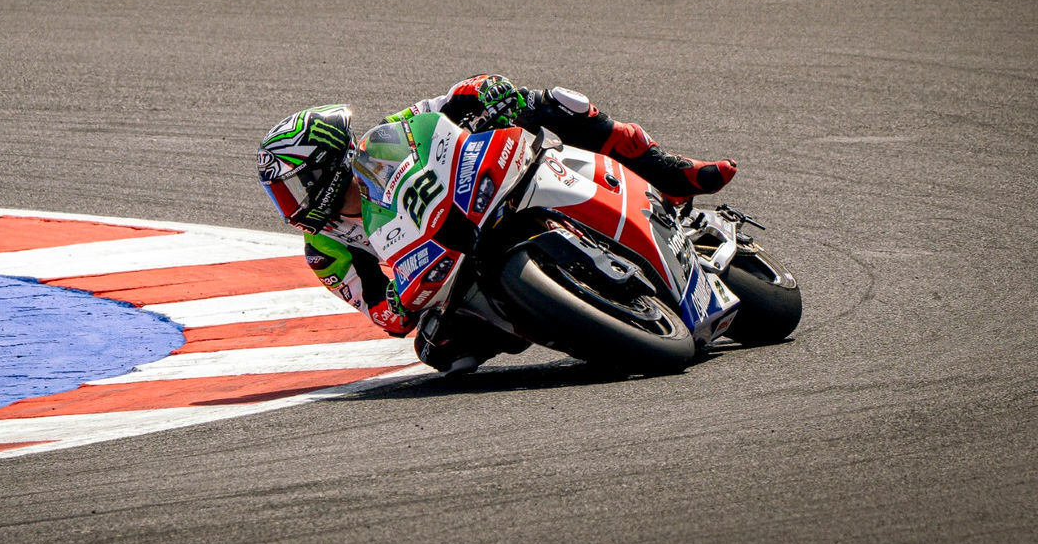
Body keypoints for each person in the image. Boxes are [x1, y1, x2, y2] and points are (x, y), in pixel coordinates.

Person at [256, 75, 737, 372]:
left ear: (327, 162)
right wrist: (396, 307)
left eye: (295, 187)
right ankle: (579, 318)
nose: (292, 205)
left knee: (556, 102)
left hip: (480, 196)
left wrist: (485, 92)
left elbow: (451, 100)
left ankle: (666, 172)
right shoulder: (324, 249)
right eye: (283, 195)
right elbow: (378, 311)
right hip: (446, 271)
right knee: (441, 350)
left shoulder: (385, 138)